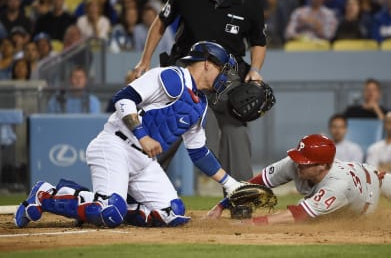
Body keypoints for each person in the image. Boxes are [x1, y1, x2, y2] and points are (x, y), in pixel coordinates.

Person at [15, 41, 245, 228]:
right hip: (115, 145)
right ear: (206, 63)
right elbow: (123, 98)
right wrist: (143, 135)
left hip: (144, 162)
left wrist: (230, 183)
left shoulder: (200, 104)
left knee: (172, 213)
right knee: (110, 212)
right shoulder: (170, 77)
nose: (225, 76)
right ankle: (46, 194)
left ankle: (107, 204)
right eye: (222, 68)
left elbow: (198, 152)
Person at [133, 0, 267, 182]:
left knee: (236, 126)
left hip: (228, 73)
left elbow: (259, 42)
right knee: (168, 125)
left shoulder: (251, 2)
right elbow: (160, 23)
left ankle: (241, 193)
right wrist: (144, 61)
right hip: (187, 68)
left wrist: (255, 69)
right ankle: (139, 187)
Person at [207, 134, 391, 224]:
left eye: (305, 163)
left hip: (369, 188)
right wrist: (222, 205)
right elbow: (259, 181)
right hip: (356, 174)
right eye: (298, 158)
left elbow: (299, 214)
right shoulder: (297, 163)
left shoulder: (336, 184)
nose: (297, 164)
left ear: (322, 166)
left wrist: (257, 224)